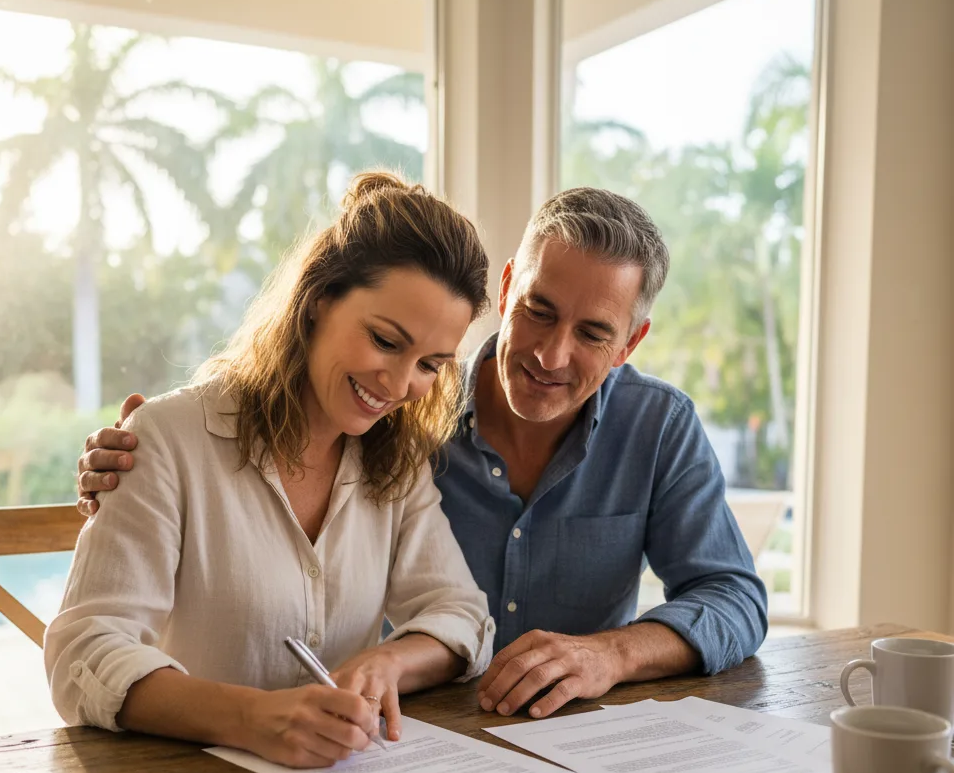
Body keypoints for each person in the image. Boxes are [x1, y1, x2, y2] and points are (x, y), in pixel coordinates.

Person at [77, 187, 768, 722]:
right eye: (539, 311)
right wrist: (151, 454)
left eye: (592, 333)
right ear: (505, 293)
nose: (552, 355)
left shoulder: (651, 427)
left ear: (630, 343)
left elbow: (734, 597)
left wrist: (609, 654)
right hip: (348, 751)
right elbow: (95, 643)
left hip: (529, 746)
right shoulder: (408, 427)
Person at [45, 171, 496, 768]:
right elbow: (85, 649)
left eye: (430, 364)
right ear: (317, 302)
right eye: (386, 341)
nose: (399, 384)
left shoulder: (396, 463)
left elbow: (463, 615)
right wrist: (250, 719)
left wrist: (390, 659)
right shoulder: (169, 439)